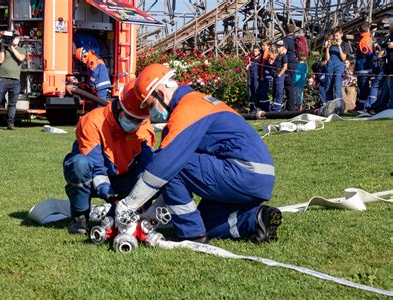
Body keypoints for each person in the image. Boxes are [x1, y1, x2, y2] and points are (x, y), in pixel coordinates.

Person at [116, 64, 281, 244]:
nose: (149, 113)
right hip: (258, 177)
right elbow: (172, 185)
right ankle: (257, 219)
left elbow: (164, 168)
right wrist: (149, 216)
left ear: (160, 94)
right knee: (205, 222)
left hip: (243, 172)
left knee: (171, 164)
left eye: (149, 106)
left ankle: (190, 234)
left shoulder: (186, 110)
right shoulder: (198, 102)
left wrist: (128, 205)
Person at [63, 79, 155, 234]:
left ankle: (132, 215)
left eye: (138, 120)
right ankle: (80, 218)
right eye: (131, 118)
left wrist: (139, 199)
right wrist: (111, 196)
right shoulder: (93, 121)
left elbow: (147, 166)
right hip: (95, 176)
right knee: (79, 164)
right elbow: (96, 168)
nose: (134, 124)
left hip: (125, 177)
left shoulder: (144, 126)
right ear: (119, 107)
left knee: (158, 172)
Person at [0, 33, 27, 130]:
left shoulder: (22, 50)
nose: (15, 39)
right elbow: (0, 61)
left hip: (15, 81)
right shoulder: (3, 49)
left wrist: (11, 48)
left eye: (16, 37)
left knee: (12, 104)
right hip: (2, 79)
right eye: (14, 38)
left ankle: (10, 124)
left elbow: (21, 58)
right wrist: (2, 47)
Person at [324, 27, 351, 102]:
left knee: (337, 86)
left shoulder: (345, 44)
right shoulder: (331, 43)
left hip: (339, 67)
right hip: (330, 66)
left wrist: (339, 46)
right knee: (328, 86)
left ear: (341, 34)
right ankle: (328, 104)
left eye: (337, 35)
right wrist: (327, 48)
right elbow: (327, 58)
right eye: (334, 35)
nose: (335, 37)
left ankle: (337, 105)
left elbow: (343, 58)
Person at [354, 23, 376, 111]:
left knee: (362, 88)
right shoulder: (370, 39)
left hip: (363, 67)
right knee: (364, 87)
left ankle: (361, 107)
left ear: (360, 31)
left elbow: (366, 53)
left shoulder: (363, 40)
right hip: (368, 67)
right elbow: (372, 53)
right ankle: (361, 106)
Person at [371, 34, 393, 112]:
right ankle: (377, 108)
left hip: (390, 70)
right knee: (385, 91)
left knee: (390, 90)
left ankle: (390, 109)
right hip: (389, 69)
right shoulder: (390, 36)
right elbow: (386, 47)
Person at [283, 24, 298, 111]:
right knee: (295, 86)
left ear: (285, 31)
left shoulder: (286, 40)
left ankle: (290, 108)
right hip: (297, 63)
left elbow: (284, 52)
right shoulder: (296, 39)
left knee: (289, 86)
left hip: (289, 64)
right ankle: (296, 106)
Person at [255, 40, 273, 112]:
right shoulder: (262, 53)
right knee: (260, 92)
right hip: (262, 76)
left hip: (267, 76)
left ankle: (267, 108)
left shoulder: (269, 53)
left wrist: (271, 61)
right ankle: (263, 108)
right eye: (262, 45)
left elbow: (272, 61)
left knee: (264, 92)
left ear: (268, 46)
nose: (262, 47)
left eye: (264, 45)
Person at [271, 41, 288, 112]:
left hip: (279, 77)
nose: (278, 48)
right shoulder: (278, 56)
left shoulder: (284, 56)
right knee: (274, 92)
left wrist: (279, 75)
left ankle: (278, 109)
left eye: (280, 47)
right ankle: (274, 108)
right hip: (275, 76)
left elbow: (285, 67)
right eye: (277, 47)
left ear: (283, 47)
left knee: (279, 92)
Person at [247, 46, 260, 112]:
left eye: (256, 51)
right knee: (250, 93)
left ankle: (256, 108)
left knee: (255, 92)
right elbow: (248, 69)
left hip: (256, 79)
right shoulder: (251, 60)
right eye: (254, 51)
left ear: (259, 52)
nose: (254, 53)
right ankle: (251, 108)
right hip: (251, 78)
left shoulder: (259, 60)